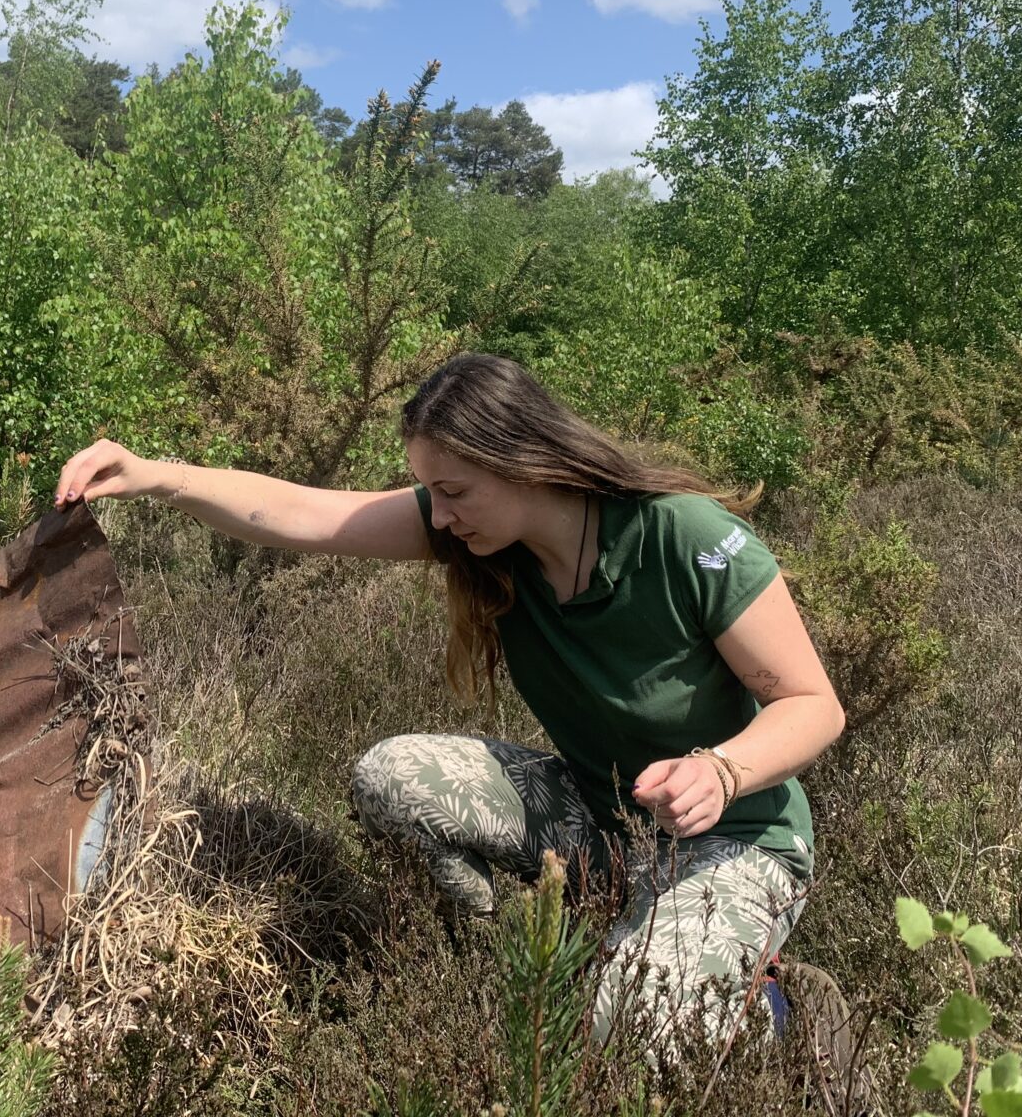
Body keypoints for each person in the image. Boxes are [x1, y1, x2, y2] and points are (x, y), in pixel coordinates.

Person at [53, 352, 845, 1049]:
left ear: (525, 463)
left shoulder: (684, 536)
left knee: (634, 1023)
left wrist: (722, 770)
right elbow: (307, 516)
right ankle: (518, 973)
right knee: (394, 777)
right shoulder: (487, 540)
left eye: (455, 490)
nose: (441, 511)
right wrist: (159, 476)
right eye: (430, 490)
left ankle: (772, 1012)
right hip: (605, 822)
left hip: (739, 839)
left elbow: (814, 704)